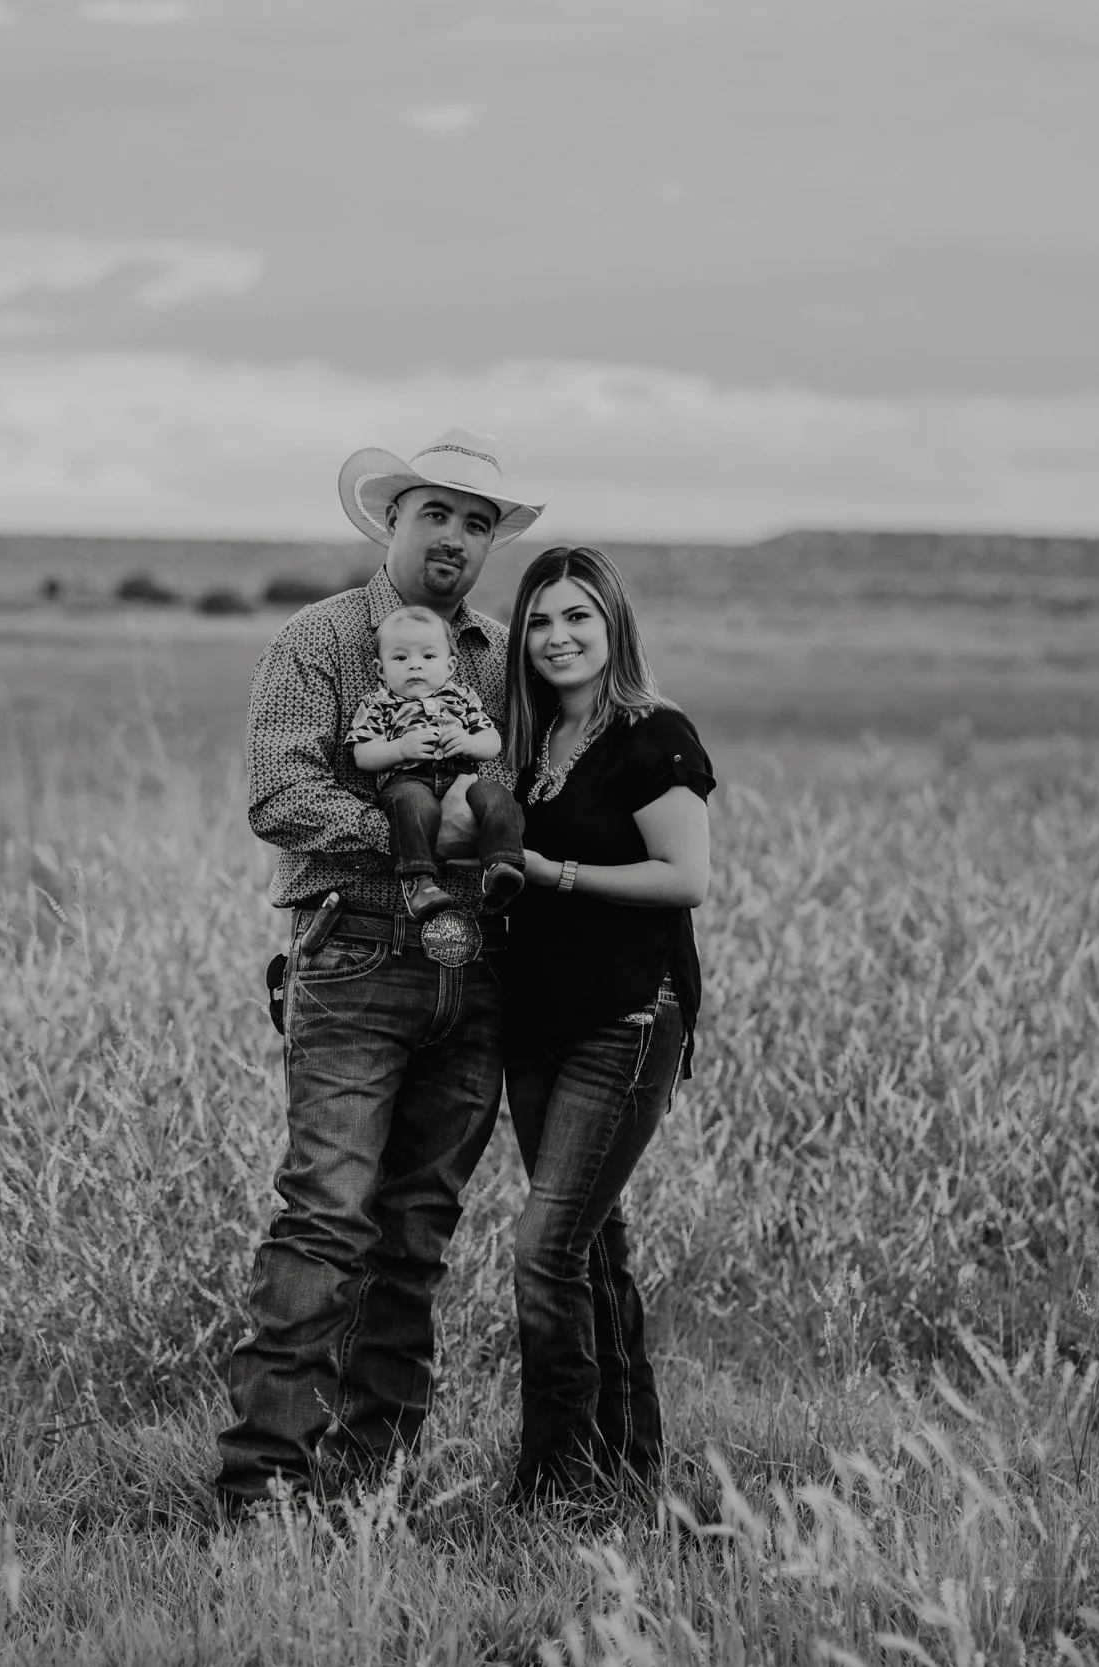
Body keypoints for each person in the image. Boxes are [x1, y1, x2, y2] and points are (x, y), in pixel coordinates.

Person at [216, 429, 545, 1516]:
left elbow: (536, 789)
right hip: (354, 947)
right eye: (435, 513)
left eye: (477, 521)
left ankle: (371, 1483)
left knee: (415, 1233)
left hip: (481, 968)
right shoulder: (320, 639)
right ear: (391, 522)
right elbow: (277, 794)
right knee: (327, 1216)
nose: (454, 536)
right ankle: (260, 1481)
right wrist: (414, 840)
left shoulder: (503, 655)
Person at [498, 545, 714, 1506]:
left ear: (613, 624)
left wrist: (559, 876)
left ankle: (555, 1481)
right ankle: (632, 1462)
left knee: (546, 1251)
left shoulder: (651, 735)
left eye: (577, 617)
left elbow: (686, 878)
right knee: (593, 1245)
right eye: (540, 621)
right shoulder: (531, 745)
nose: (557, 637)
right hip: (536, 1025)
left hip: (625, 1018)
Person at [344, 605, 528, 921]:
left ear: (450, 665)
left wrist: (469, 743)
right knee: (415, 805)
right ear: (380, 669)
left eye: (428, 657)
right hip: (408, 780)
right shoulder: (379, 704)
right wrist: (400, 748)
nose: (415, 666)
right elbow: (363, 754)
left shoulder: (462, 698)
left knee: (496, 796)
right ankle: (418, 880)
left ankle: (501, 865)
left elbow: (491, 741)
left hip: (463, 776)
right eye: (400, 658)